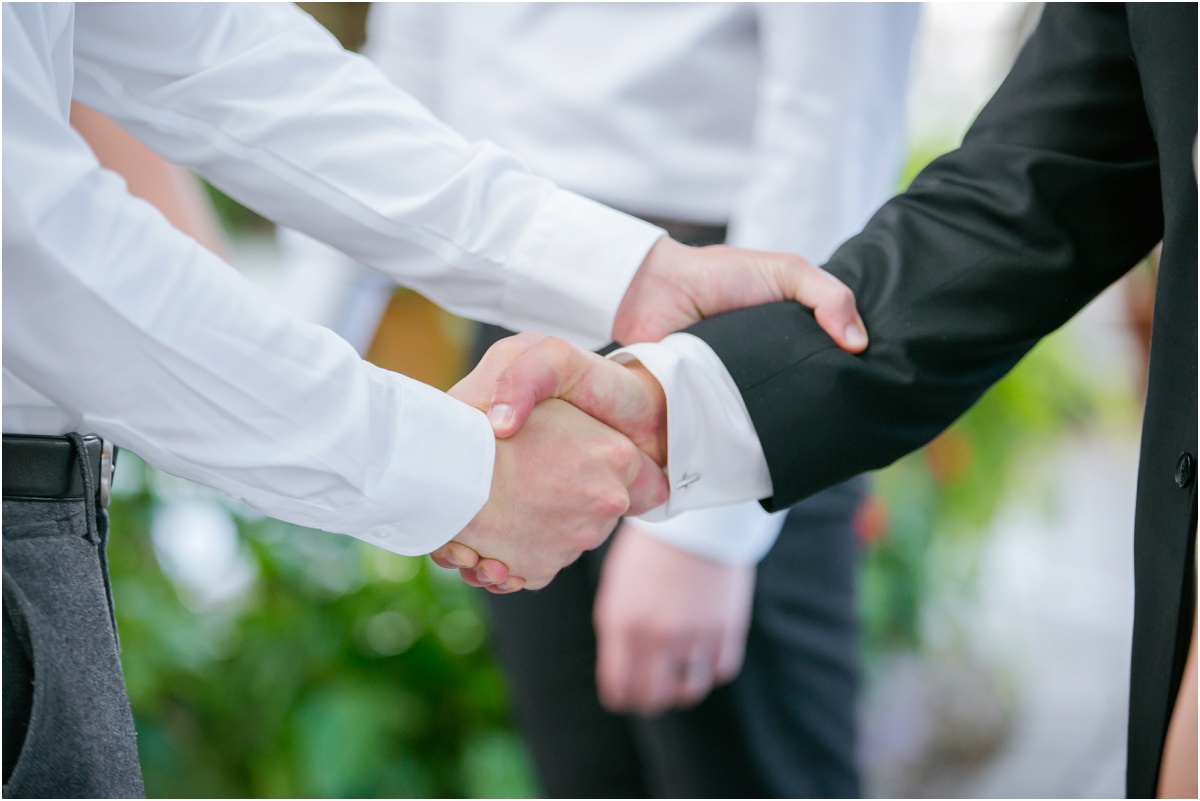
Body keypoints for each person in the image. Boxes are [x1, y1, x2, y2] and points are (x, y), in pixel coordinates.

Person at [1, 4, 869, 796]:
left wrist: (632, 273)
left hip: (678, 289)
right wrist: (451, 468)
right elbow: (29, 243)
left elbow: (208, 52)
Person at [452, 4, 1197, 797]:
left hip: (732, 269)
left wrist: (709, 527)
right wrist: (671, 408)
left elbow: (835, 110)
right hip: (601, 314)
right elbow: (1039, 181)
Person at [345, 3, 917, 796]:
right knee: (579, 771)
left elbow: (836, 112)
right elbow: (412, 54)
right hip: (513, 302)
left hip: (730, 318)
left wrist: (711, 524)